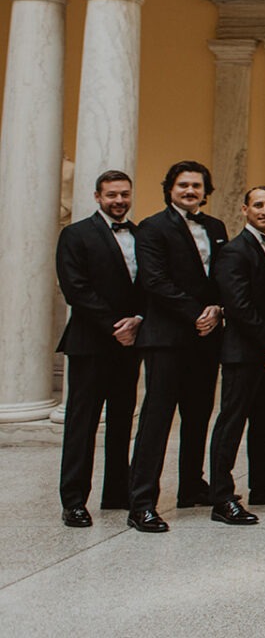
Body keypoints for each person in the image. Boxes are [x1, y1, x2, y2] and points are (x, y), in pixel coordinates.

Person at [127, 160, 227, 533]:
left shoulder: (215, 227)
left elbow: (222, 276)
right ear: (170, 188)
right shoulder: (152, 227)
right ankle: (141, 502)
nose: (190, 191)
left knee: (199, 414)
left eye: (197, 186)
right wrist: (196, 313)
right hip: (167, 338)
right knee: (157, 418)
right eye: (183, 185)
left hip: (206, 338)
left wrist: (217, 309)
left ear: (205, 191)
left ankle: (191, 486)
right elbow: (155, 280)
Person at [55, 169, 143, 527]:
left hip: (131, 342)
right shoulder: (75, 235)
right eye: (111, 195)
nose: (119, 201)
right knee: (82, 422)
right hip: (91, 343)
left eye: (124, 194)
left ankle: (117, 491)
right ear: (97, 197)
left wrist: (137, 320)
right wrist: (113, 326)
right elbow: (75, 289)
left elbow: (148, 284)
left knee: (123, 419)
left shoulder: (141, 235)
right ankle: (74, 500)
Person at [206, 186, 265, 526]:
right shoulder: (233, 251)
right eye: (258, 205)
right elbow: (238, 305)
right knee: (232, 422)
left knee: (264, 424)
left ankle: (262, 485)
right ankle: (222, 496)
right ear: (244, 210)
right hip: (244, 352)